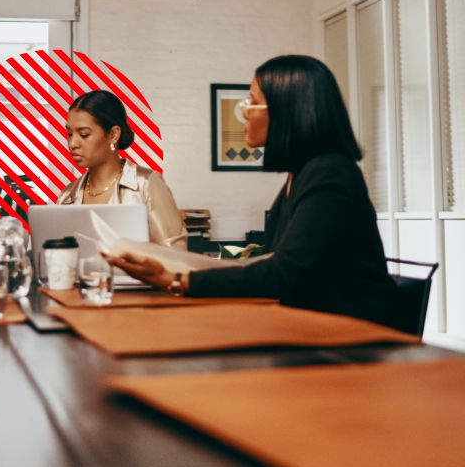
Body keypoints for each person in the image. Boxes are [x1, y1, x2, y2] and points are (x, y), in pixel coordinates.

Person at [108, 55, 396, 324]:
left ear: (287, 112)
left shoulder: (329, 173)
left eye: (251, 102)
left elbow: (284, 273)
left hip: (350, 340)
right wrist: (165, 259)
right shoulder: (303, 175)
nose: (243, 113)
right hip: (310, 325)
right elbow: (270, 263)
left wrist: (178, 280)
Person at [58, 90, 187, 249]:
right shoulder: (67, 196)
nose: (73, 143)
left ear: (113, 135)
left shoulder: (147, 185)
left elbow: (176, 255)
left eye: (84, 134)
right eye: (69, 134)